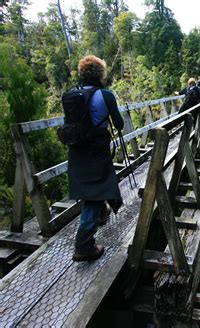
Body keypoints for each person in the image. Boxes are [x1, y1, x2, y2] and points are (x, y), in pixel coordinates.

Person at [68, 55, 124, 262]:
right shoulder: (106, 95)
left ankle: (101, 213)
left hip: (76, 151)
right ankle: (83, 246)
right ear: (101, 73)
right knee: (94, 193)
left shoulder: (72, 94)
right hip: (97, 150)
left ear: (82, 73)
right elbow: (118, 124)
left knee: (90, 187)